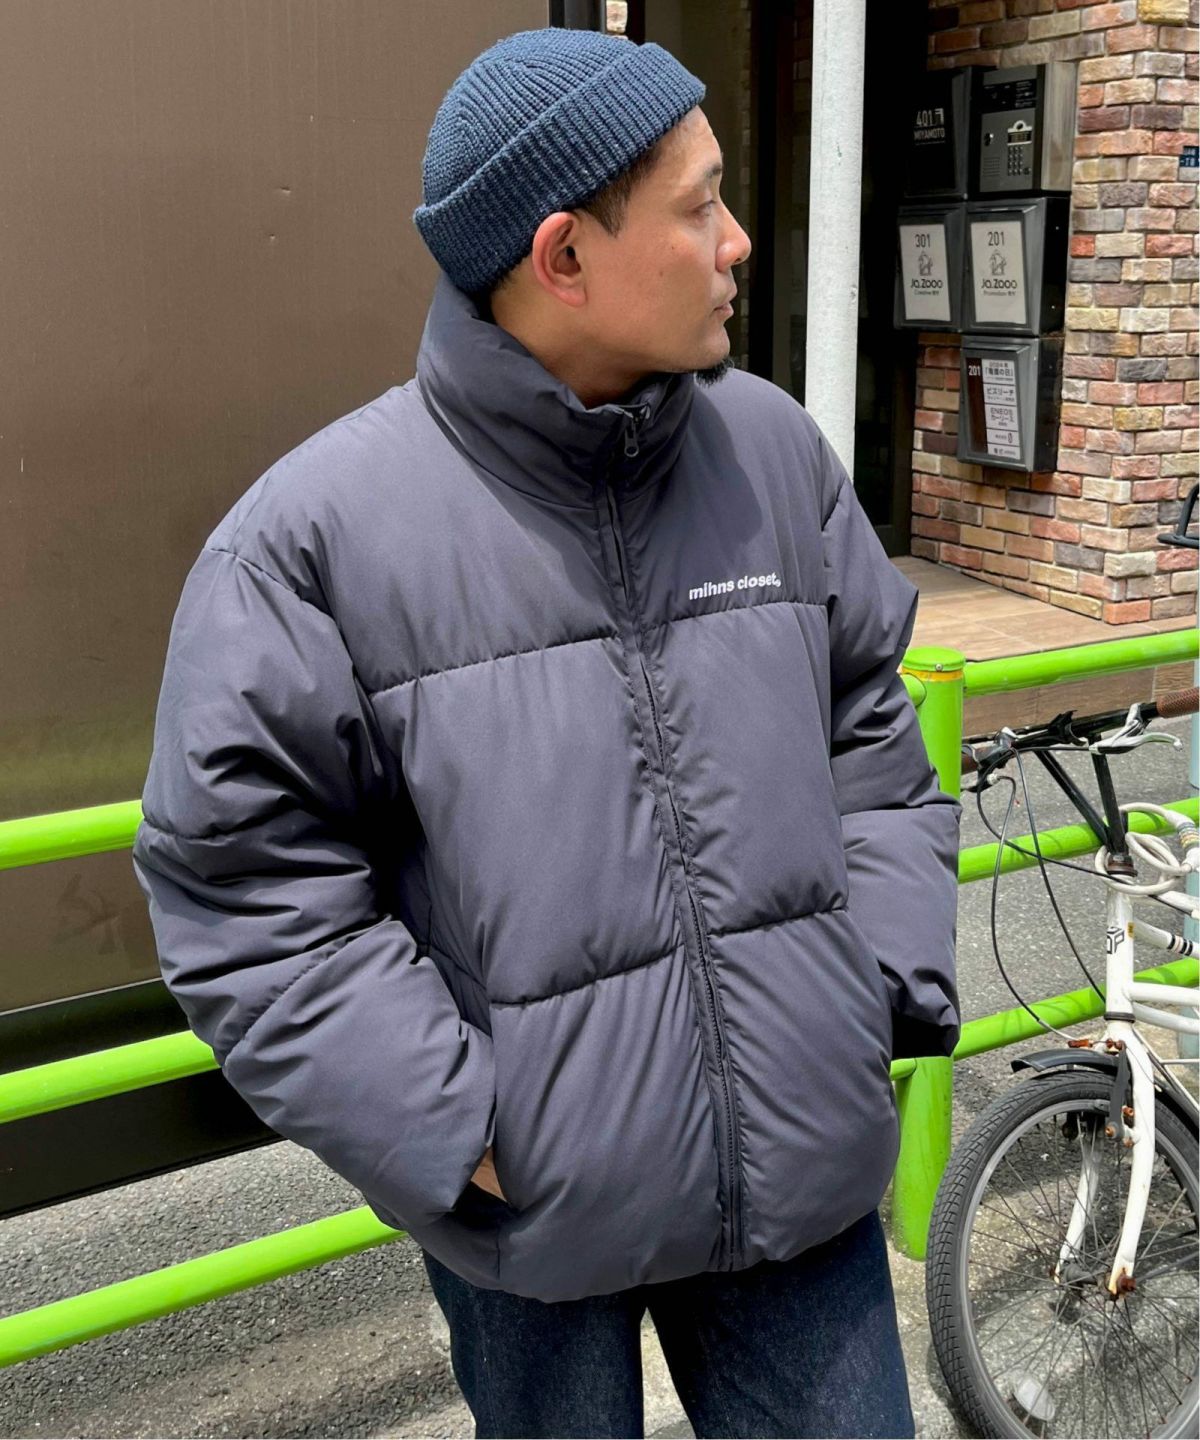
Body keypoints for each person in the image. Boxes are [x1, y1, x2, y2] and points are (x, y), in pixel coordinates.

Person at [133, 26, 961, 1440]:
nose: (739, 242)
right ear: (563, 255)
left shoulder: (772, 456)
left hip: (802, 1179)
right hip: (532, 1227)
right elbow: (245, 894)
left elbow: (871, 739)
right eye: (701, 207)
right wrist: (461, 1128)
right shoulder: (312, 543)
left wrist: (866, 993)